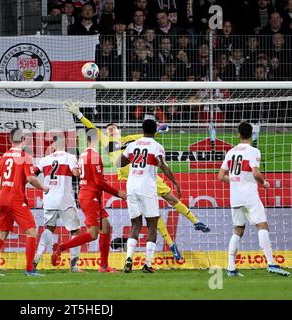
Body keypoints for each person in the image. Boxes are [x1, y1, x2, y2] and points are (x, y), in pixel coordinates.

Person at [65, 101, 211, 262]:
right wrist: (79, 114)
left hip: (150, 176)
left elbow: (150, 136)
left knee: (170, 198)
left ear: (120, 130)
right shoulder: (107, 142)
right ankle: (172, 245)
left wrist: (162, 128)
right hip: (135, 181)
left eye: (113, 128)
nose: (111, 130)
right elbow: (91, 127)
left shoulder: (133, 139)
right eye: (108, 129)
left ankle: (195, 221)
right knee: (153, 217)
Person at [218, 122, 289, 277]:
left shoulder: (230, 152)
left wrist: (236, 180)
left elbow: (220, 176)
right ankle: (271, 263)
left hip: (235, 197)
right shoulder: (254, 151)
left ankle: (230, 268)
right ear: (251, 134)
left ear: (238, 134)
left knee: (238, 229)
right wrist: (264, 183)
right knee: (262, 225)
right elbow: (256, 173)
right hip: (249, 195)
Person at [51, 128, 127, 272]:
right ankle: (61, 248)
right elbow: (98, 182)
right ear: (97, 139)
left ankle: (103, 266)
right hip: (90, 196)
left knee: (106, 227)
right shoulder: (93, 155)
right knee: (93, 234)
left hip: (88, 195)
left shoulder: (83, 155)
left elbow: (87, 176)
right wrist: (118, 193)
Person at [117, 119, 177, 273]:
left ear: (142, 130)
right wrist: (174, 182)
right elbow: (162, 166)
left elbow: (119, 163)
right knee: (152, 225)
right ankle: (148, 264)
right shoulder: (157, 147)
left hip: (131, 186)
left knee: (135, 224)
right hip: (147, 188)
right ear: (155, 131)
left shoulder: (132, 145)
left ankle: (128, 258)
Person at [0, 128, 49, 277]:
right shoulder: (24, 156)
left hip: (3, 199)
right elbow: (31, 178)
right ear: (23, 139)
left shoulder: (3, 157)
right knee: (31, 232)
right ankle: (29, 269)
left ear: (9, 140)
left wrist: (7, 187)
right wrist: (43, 188)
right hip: (16, 199)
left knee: (2, 233)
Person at [33, 135, 82, 272]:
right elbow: (76, 173)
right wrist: (80, 170)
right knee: (75, 230)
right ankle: (73, 266)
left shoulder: (44, 160)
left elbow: (32, 175)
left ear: (53, 145)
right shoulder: (69, 157)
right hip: (65, 199)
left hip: (49, 198)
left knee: (49, 228)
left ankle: (37, 257)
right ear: (65, 145)